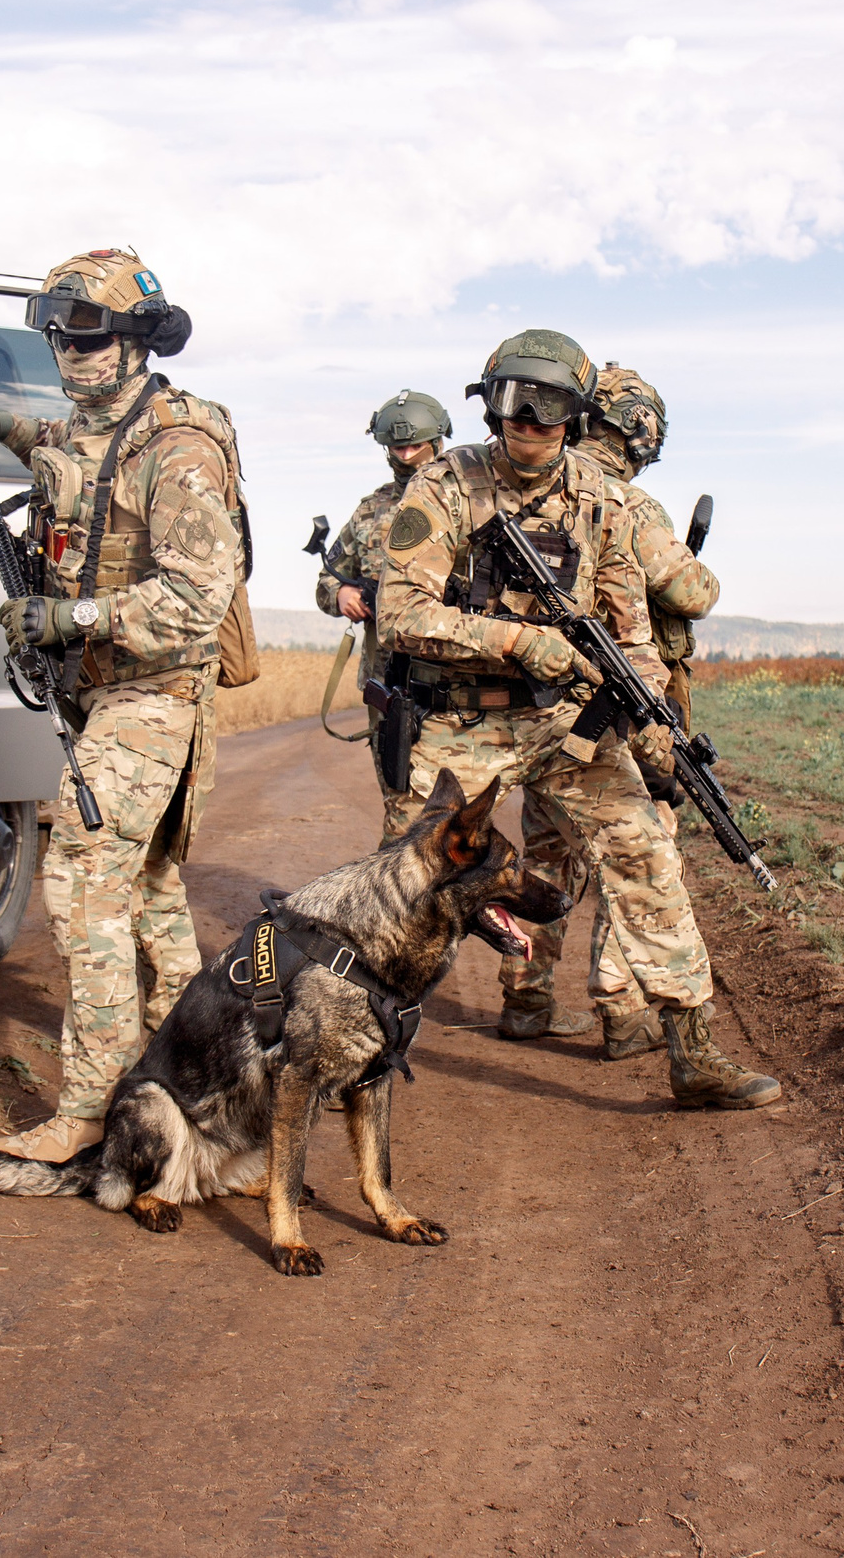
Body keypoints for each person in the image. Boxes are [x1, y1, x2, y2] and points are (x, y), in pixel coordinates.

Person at [374, 329, 780, 1110]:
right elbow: (401, 616)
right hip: (458, 725)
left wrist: (654, 720)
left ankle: (692, 1052)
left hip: (564, 725)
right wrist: (522, 641)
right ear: (487, 407)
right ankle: (355, 1043)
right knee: (406, 890)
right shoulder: (445, 488)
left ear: (577, 414)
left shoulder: (605, 501)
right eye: (511, 403)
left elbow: (630, 630)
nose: (527, 420)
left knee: (647, 855)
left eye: (549, 405)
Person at [0, 249, 245, 1164]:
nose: (68, 350)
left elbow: (197, 598)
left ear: (137, 340)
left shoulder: (178, 449)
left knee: (85, 877)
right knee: (147, 894)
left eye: (88, 333)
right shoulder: (94, 424)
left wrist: (74, 613)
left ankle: (95, 1107)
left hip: (156, 689)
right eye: (55, 333)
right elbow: (70, 452)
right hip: (103, 692)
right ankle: (211, 1074)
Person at [498, 364, 718, 1057]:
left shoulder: (535, 484)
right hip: (612, 704)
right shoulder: (626, 502)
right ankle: (623, 1010)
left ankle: (526, 998)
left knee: (548, 849)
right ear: (640, 432)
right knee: (636, 847)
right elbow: (692, 589)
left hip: (540, 709)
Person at [314, 390, 453, 841]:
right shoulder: (371, 509)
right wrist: (342, 594)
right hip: (387, 681)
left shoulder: (469, 503)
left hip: (455, 680)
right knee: (398, 798)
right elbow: (327, 578)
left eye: (416, 446)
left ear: (439, 441)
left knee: (452, 807)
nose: (407, 456)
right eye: (397, 447)